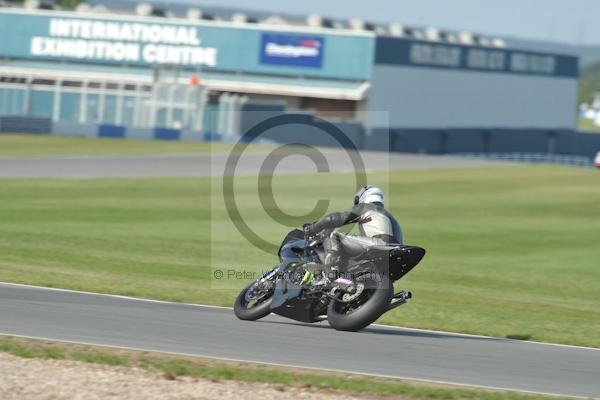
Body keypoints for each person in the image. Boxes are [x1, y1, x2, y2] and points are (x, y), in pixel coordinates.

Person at [304, 185, 403, 275]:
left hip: (379, 244)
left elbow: (334, 219)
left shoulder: (366, 207)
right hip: (393, 252)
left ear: (364, 197)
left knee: (335, 235)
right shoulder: (392, 219)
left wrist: (312, 228)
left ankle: (331, 273)